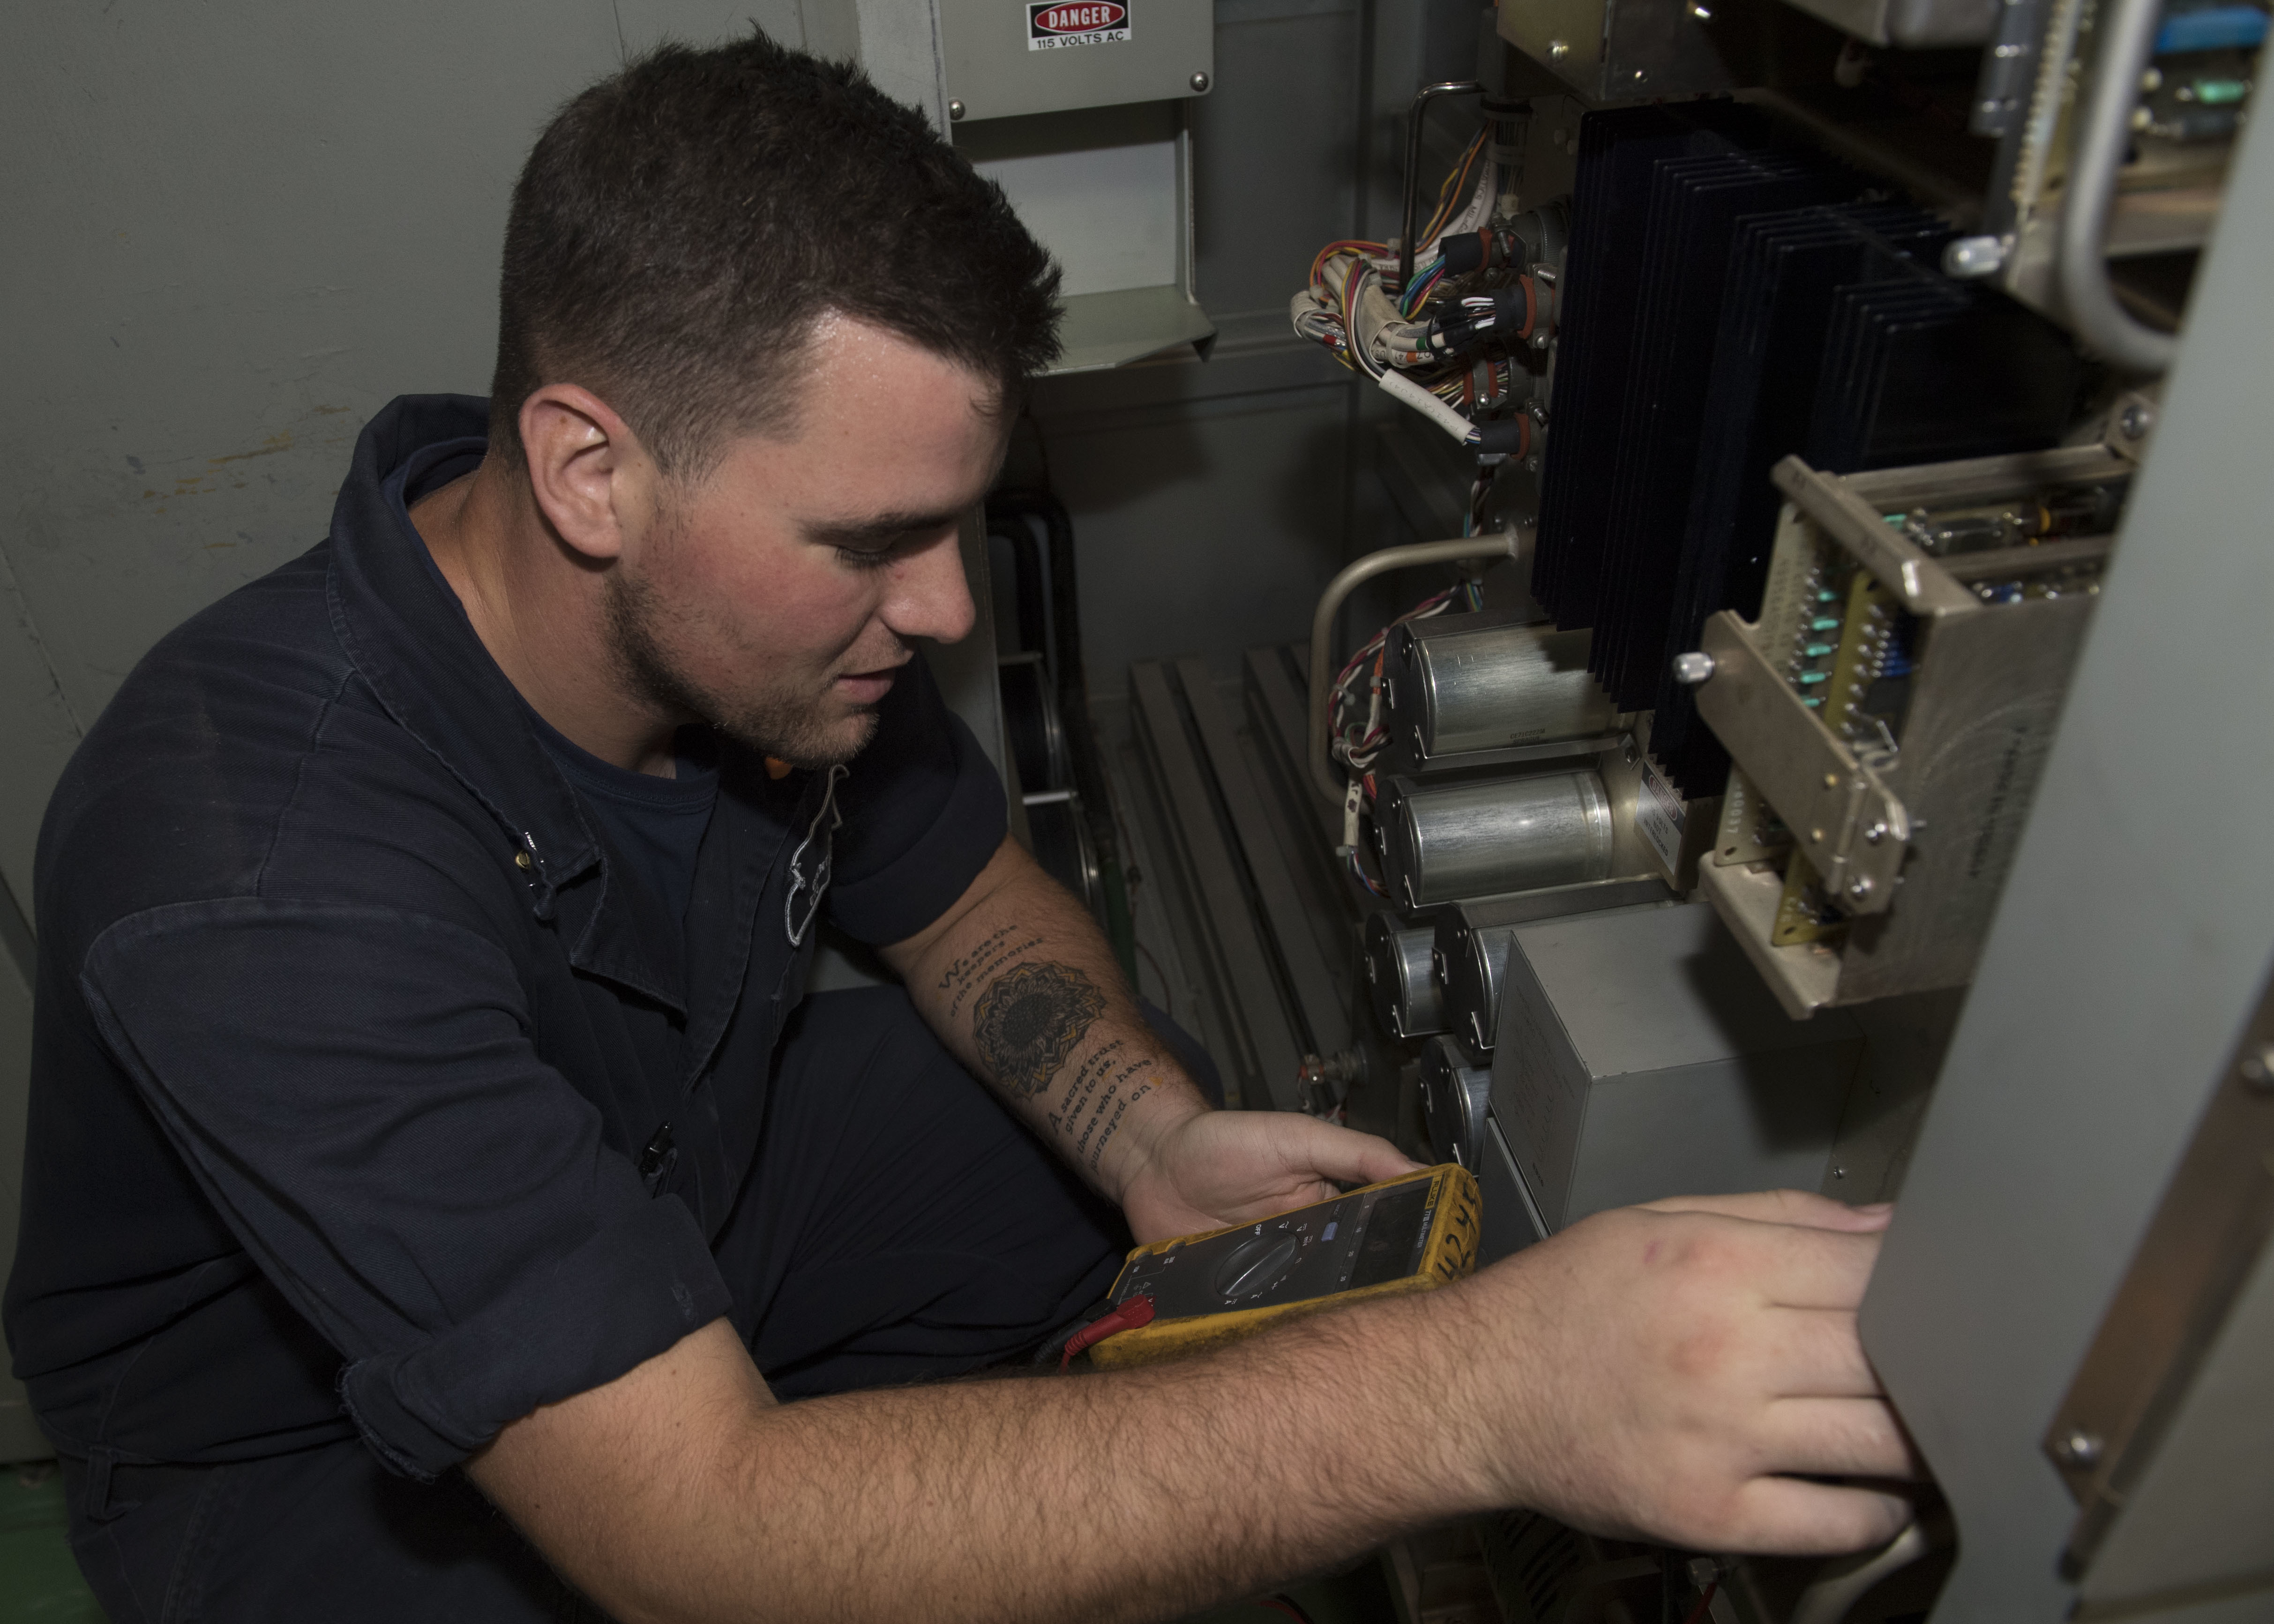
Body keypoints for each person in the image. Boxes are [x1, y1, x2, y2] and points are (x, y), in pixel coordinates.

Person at [5, 31, 1916, 1624]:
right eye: (873, 541)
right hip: (304, 1458)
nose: (938, 612)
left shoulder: (740, 621)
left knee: (1096, 1122)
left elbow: (960, 899)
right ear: (589, 470)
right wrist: (1480, 1402)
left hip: (680, 1180)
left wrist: (1148, 1132)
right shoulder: (257, 882)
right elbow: (695, 1539)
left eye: (953, 520)